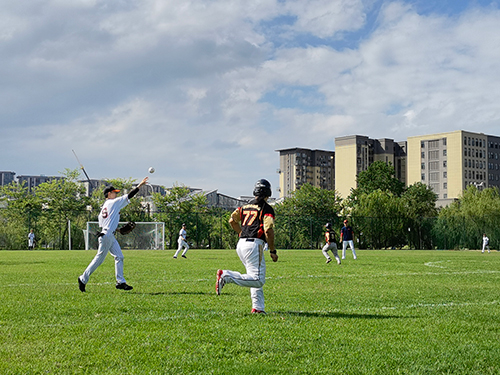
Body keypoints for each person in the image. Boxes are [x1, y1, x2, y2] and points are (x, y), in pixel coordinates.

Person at [216, 179, 278, 314]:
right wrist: (272, 250)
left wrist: (241, 232)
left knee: (252, 275)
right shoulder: (267, 208)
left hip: (242, 244)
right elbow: (268, 230)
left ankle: (258, 308)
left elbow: (232, 221)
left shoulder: (244, 207)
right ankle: (226, 276)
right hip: (254, 245)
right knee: (258, 280)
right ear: (268, 192)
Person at [78, 177, 148, 292]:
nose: (116, 195)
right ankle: (83, 278)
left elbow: (106, 223)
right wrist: (139, 186)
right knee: (99, 260)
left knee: (119, 257)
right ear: (109, 194)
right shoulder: (113, 202)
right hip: (107, 236)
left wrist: (118, 230)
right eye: (114, 193)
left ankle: (120, 282)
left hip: (108, 234)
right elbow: (129, 196)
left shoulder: (104, 208)